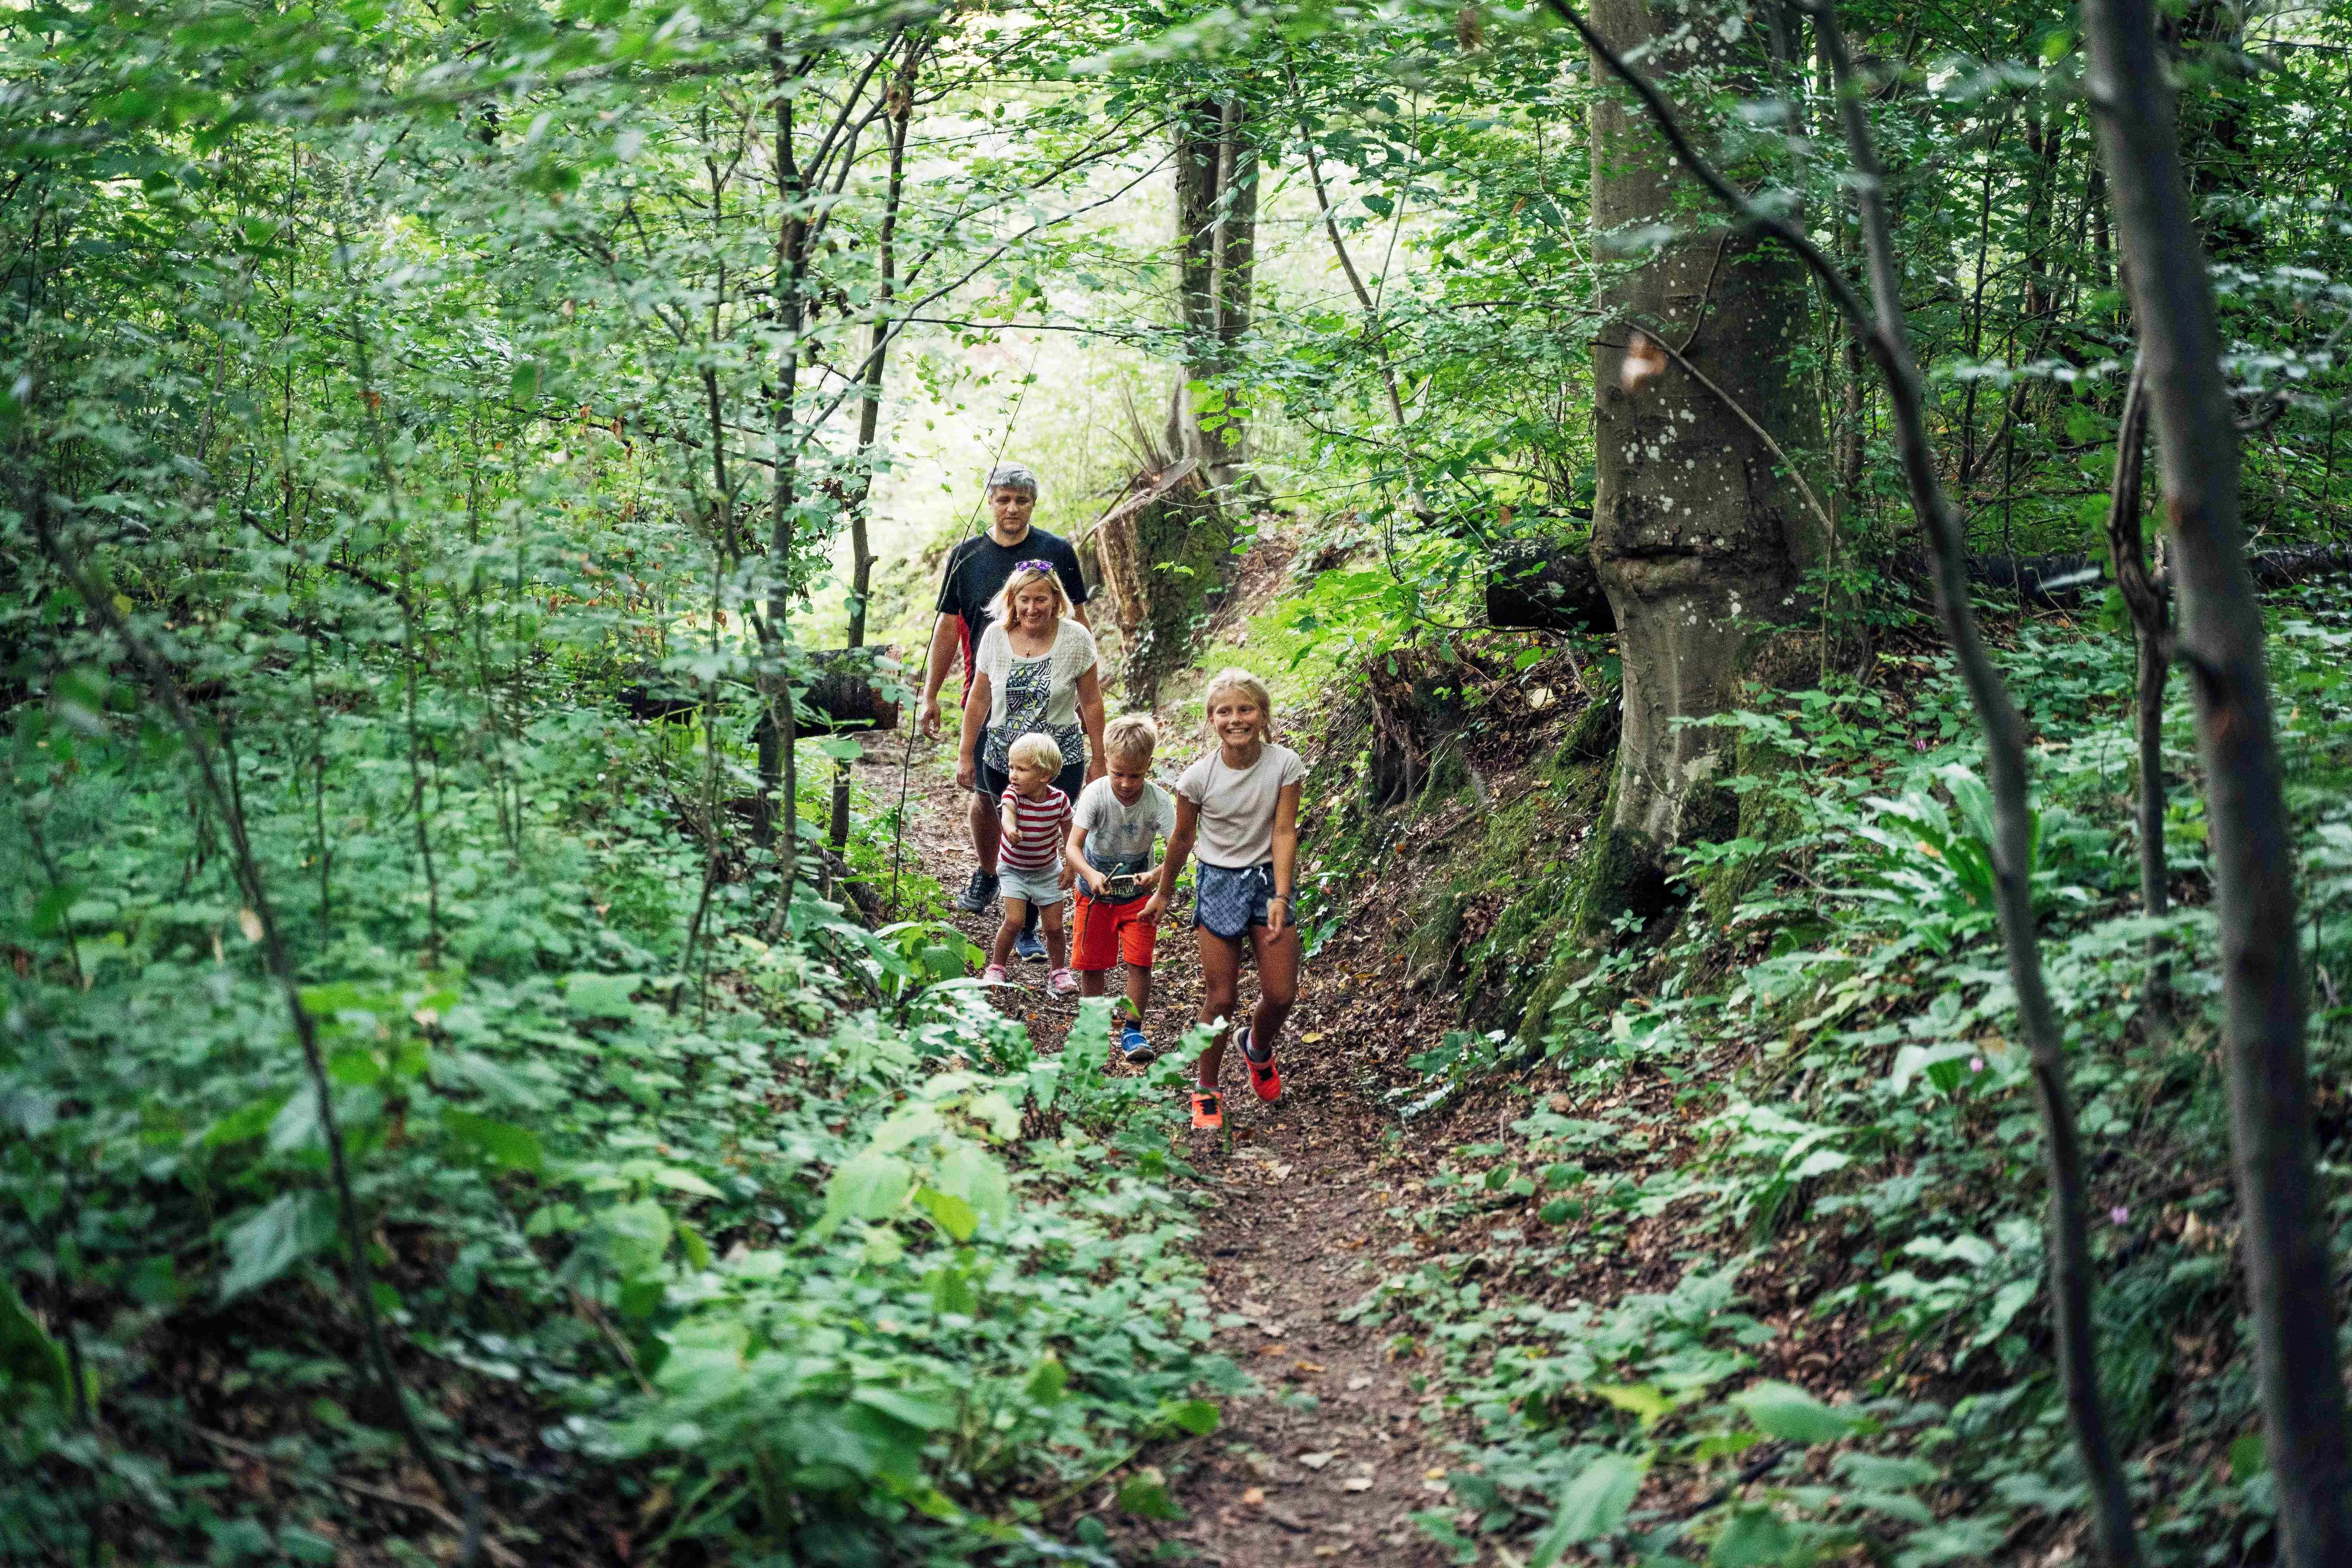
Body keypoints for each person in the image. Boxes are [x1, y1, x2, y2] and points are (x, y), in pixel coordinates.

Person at [919, 465, 1092, 956]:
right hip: (988, 691)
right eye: (1003, 499)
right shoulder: (967, 557)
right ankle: (989, 871)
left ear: (1032, 503)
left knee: (1045, 798)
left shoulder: (1057, 552)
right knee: (986, 792)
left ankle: (1033, 908)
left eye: (1021, 499)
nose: (1012, 508)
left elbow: (1080, 623)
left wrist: (1081, 700)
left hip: (1052, 699)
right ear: (990, 502)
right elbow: (949, 628)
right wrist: (930, 692)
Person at [1153, 668, 1307, 1132]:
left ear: (1262, 715)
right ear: (1211, 719)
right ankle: (1206, 1088)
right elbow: (1181, 840)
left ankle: (1256, 1048)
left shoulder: (1285, 765)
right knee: (1221, 997)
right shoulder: (1198, 778)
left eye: (1245, 709)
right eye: (1225, 711)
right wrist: (1163, 893)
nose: (1236, 719)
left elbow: (1284, 831)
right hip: (1218, 881)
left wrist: (1281, 893)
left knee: (1281, 994)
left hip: (1266, 879)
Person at [1066, 714, 1176, 1066]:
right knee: (1093, 964)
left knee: (1140, 961)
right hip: (1095, 894)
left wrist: (1158, 875)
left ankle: (1132, 1029)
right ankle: (1093, 1026)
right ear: (1107, 762)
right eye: (1118, 773)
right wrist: (1090, 873)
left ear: (1149, 766)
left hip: (1138, 898)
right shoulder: (1095, 795)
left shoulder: (1159, 802)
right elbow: (1073, 847)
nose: (1127, 783)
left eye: (1136, 775)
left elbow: (1180, 849)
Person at [981, 732, 1077, 993]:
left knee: (1055, 927)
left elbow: (1070, 832)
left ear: (1044, 776)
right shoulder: (1012, 795)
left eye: (1021, 769)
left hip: (1047, 871)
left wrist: (1071, 866)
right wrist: (1010, 829)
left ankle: (1059, 972)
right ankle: (997, 967)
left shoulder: (1059, 801)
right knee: (1014, 922)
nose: (1012, 775)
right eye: (1012, 767)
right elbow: (1008, 815)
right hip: (1014, 870)